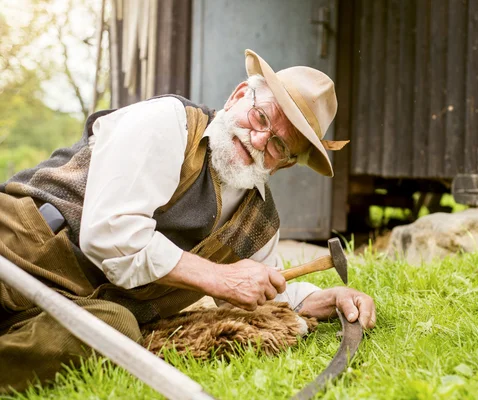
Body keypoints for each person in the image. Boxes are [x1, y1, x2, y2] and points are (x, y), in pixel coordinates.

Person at [0, 49, 376, 392]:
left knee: (115, 329)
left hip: (80, 301)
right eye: (261, 116)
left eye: (279, 144)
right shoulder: (168, 124)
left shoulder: (258, 221)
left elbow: (264, 285)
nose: (260, 139)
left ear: (286, 163)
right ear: (239, 95)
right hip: (23, 244)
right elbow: (109, 232)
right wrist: (219, 278)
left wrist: (322, 299)